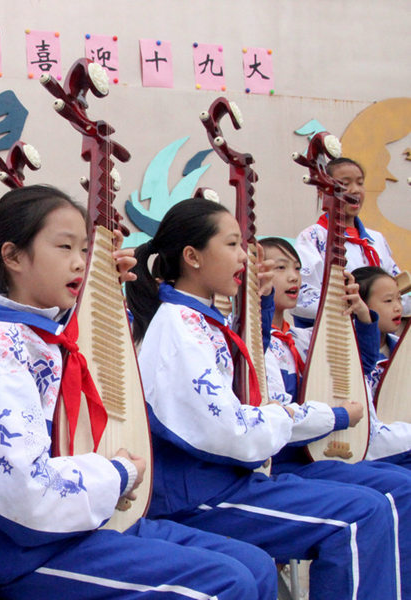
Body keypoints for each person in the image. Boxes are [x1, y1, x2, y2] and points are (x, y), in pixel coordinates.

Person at [0, 185, 280, 600]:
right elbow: (25, 489)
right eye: (64, 247)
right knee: (225, 582)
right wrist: (117, 473)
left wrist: (102, 289)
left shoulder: (46, 337)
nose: (79, 262)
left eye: (83, 250)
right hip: (24, 553)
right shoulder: (1, 347)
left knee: (255, 566)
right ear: (13, 256)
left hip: (77, 527)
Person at [127, 198, 398, 599]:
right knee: (360, 516)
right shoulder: (177, 329)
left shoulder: (199, 320)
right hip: (197, 494)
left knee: (373, 506)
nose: (244, 257)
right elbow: (229, 431)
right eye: (233, 245)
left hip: (227, 479)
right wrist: (312, 415)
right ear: (192, 257)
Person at [260, 237, 411, 597]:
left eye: (296, 267)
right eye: (280, 268)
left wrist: (361, 316)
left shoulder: (300, 337)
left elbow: (353, 373)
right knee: (386, 497)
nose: (293, 276)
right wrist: (339, 416)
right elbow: (281, 416)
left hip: (315, 455)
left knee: (402, 486)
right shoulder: (260, 344)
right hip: (283, 464)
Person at [293, 157, 410, 326]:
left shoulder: (375, 239)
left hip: (378, 335)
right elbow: (300, 296)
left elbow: (398, 291)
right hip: (335, 336)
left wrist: (388, 304)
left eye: (360, 183)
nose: (355, 190)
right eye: (344, 183)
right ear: (322, 190)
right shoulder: (312, 237)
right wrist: (355, 307)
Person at [352, 266, 411, 466]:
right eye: (388, 301)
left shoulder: (403, 351)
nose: (397, 307)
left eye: (399, 299)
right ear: (359, 305)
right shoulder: (351, 355)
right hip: (371, 452)